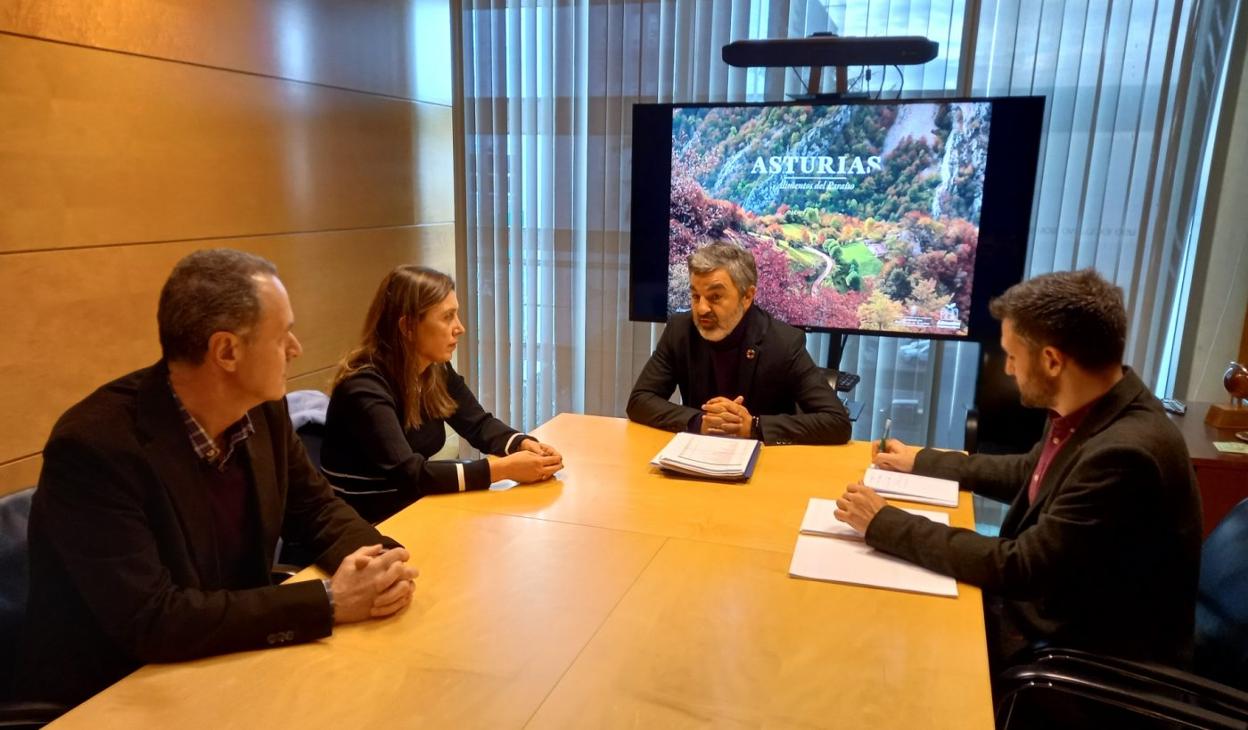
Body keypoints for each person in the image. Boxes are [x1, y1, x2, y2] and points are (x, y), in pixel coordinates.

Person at [19, 249, 418, 707]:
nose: (295, 348)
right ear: (226, 351)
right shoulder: (95, 448)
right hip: (112, 692)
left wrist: (383, 564)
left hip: (229, 657)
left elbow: (316, 509)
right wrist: (329, 601)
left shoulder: (262, 409)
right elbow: (153, 619)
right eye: (282, 335)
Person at [835, 269, 1202, 669]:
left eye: (1012, 356)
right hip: (1057, 613)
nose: (1008, 370)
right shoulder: (1093, 409)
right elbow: (1029, 472)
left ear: (1052, 361)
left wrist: (883, 523)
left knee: (892, 643)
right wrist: (921, 460)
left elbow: (1020, 567)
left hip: (1083, 655)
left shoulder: (1124, 455)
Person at [320, 266, 563, 523]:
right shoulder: (364, 388)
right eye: (447, 317)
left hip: (412, 509)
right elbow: (410, 474)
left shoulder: (434, 370)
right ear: (408, 326)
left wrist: (522, 444)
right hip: (367, 524)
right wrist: (502, 470)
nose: (460, 328)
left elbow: (478, 424)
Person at [627, 242, 851, 445]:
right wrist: (698, 421)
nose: (702, 308)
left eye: (715, 297)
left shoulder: (783, 342)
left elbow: (837, 422)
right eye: (695, 296)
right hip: (697, 455)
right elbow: (639, 400)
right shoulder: (680, 331)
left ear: (747, 296)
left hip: (764, 462)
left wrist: (754, 426)